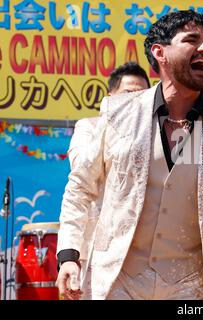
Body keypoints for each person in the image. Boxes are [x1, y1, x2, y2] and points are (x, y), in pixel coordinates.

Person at [56, 10, 203, 300]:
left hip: (193, 290)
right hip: (120, 281)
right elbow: (80, 188)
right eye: (192, 40)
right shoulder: (118, 113)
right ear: (160, 53)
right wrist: (69, 254)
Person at [62, 61, 150, 296]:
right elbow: (80, 178)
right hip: (95, 255)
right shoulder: (89, 127)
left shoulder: (156, 138)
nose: (136, 100)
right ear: (110, 97)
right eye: (129, 94)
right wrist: (111, 121)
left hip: (143, 260)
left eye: (144, 95)